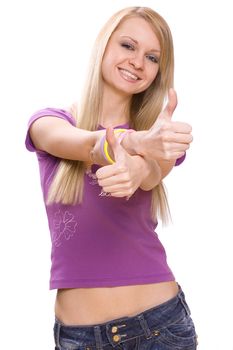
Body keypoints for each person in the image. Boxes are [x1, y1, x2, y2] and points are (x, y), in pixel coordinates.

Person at [25, 6, 198, 350]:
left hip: (159, 329)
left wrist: (140, 166)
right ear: (103, 46)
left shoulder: (158, 139)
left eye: (152, 57)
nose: (138, 62)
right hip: (79, 339)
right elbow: (82, 144)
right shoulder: (49, 122)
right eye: (128, 46)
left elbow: (151, 174)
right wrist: (129, 141)